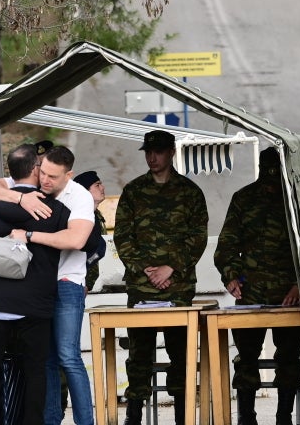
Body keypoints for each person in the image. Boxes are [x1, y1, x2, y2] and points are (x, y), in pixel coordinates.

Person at [0, 145, 96, 425]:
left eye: (53, 177)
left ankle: (85, 421)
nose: (45, 180)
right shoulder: (28, 188)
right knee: (45, 361)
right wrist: (22, 200)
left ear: (69, 175)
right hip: (38, 287)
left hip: (66, 281)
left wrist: (29, 235)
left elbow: (76, 240)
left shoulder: (78, 197)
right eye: (43, 172)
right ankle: (50, 420)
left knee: (68, 356)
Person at [113, 130, 208, 425]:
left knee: (180, 355)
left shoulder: (189, 192)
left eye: (158, 152)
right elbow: (123, 236)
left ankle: (182, 415)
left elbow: (198, 236)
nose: (152, 157)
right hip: (142, 288)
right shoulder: (133, 191)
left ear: (171, 153)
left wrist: (171, 268)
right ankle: (134, 416)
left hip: (178, 289)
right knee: (139, 356)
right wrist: (146, 269)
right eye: (148, 152)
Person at [213, 147, 300, 425]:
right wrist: (231, 276)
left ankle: (283, 417)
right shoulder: (244, 199)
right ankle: (246, 417)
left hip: (289, 294)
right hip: (251, 293)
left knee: (289, 358)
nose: (271, 184)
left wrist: (299, 287)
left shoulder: (298, 201)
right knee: (246, 358)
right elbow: (226, 245)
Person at [73, 170, 108, 292]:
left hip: (87, 283)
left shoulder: (96, 215)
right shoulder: (76, 217)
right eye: (97, 185)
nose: (102, 188)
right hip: (75, 282)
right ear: (84, 192)